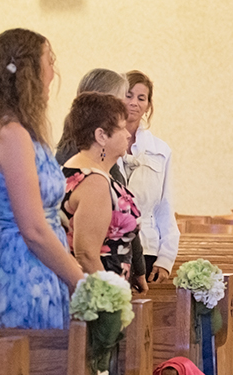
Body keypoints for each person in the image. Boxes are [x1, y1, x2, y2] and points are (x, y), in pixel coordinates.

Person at [0, 28, 84, 329]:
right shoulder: (11, 134)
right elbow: (32, 229)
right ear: (29, 71)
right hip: (23, 271)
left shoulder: (10, 130)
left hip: (38, 263)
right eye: (50, 62)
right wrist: (83, 283)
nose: (53, 73)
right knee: (27, 358)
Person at [55, 68, 146, 288]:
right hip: (97, 287)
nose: (127, 134)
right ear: (101, 135)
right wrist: (109, 297)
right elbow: (86, 254)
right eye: (122, 128)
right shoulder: (93, 180)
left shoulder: (77, 166)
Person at [121, 70, 179, 283]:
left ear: (148, 105)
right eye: (128, 95)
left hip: (147, 246)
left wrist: (166, 258)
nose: (134, 103)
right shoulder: (102, 142)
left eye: (141, 98)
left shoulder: (160, 150)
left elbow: (165, 206)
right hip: (111, 247)